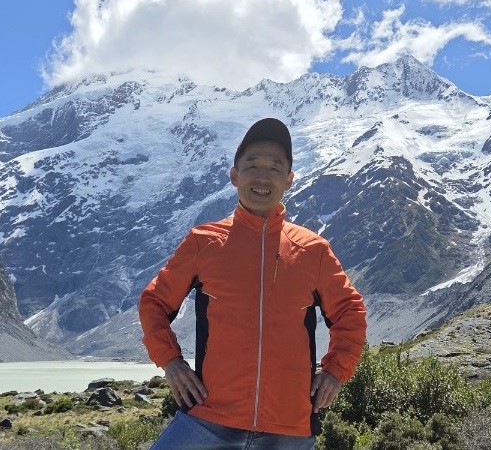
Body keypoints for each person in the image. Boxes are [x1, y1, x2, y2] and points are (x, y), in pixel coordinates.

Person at [139, 117, 367, 449]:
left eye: (275, 168)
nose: (262, 176)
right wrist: (171, 362)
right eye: (252, 165)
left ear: (289, 180)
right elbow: (154, 303)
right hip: (209, 419)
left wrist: (336, 372)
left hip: (288, 428)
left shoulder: (313, 251)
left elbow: (350, 312)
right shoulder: (203, 242)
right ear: (235, 175)